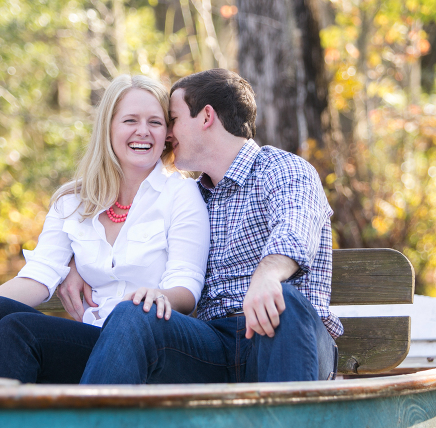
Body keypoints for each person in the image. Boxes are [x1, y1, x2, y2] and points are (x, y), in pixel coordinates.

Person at [61, 68, 342, 385]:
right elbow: (125, 230)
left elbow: (296, 226)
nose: (167, 134)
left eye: (174, 119)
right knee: (134, 313)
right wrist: (73, 263)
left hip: (286, 338)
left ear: (206, 116)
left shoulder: (281, 168)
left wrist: (268, 275)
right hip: (213, 345)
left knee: (286, 301)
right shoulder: (190, 196)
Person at [0, 74, 210, 383]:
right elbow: (40, 275)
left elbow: (187, 286)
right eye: (130, 120)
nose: (143, 131)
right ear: (108, 128)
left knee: (19, 331)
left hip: (146, 345)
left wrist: (156, 295)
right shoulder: (73, 200)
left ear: (167, 133)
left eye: (155, 122)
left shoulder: (181, 193)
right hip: (91, 339)